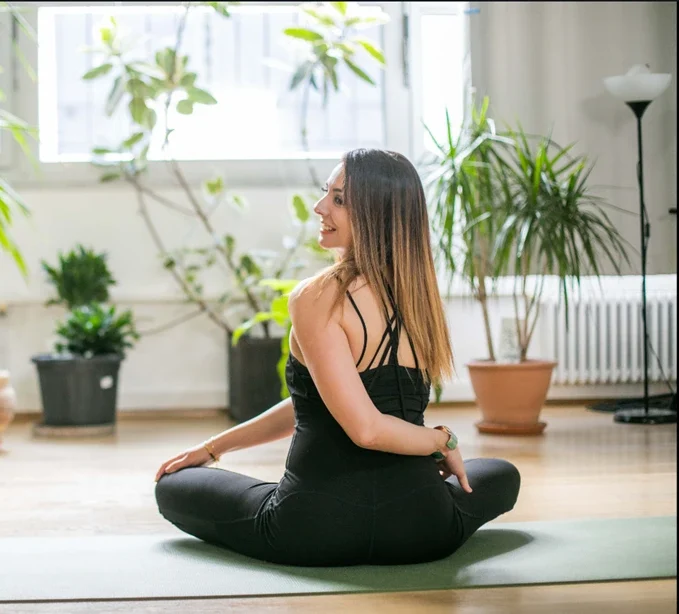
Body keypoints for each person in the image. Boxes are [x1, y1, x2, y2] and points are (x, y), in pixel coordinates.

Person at [154, 149, 521, 567]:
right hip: (422, 528)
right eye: (326, 193)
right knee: (501, 473)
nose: (320, 207)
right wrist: (215, 446)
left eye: (339, 199)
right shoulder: (418, 297)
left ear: (376, 213)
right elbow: (328, 399)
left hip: (311, 528)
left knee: (173, 486)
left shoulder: (317, 297)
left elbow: (366, 429)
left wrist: (441, 441)